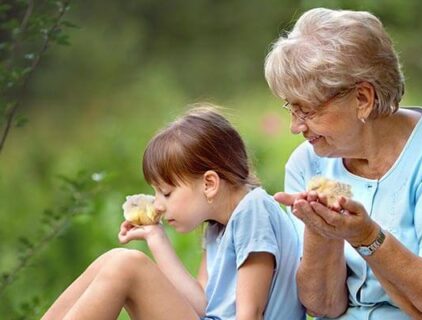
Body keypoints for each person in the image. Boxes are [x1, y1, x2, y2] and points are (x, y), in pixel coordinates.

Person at [264, 7, 422, 320]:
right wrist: (320, 231)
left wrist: (366, 236)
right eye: (290, 109)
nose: (295, 127)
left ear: (363, 99)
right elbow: (323, 305)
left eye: (306, 111)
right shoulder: (307, 164)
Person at [41, 105, 305, 320]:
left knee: (126, 264)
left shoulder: (253, 211)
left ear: (209, 184)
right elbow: (202, 305)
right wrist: (156, 239)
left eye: (166, 193)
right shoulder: (218, 224)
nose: (157, 204)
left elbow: (250, 314)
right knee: (114, 259)